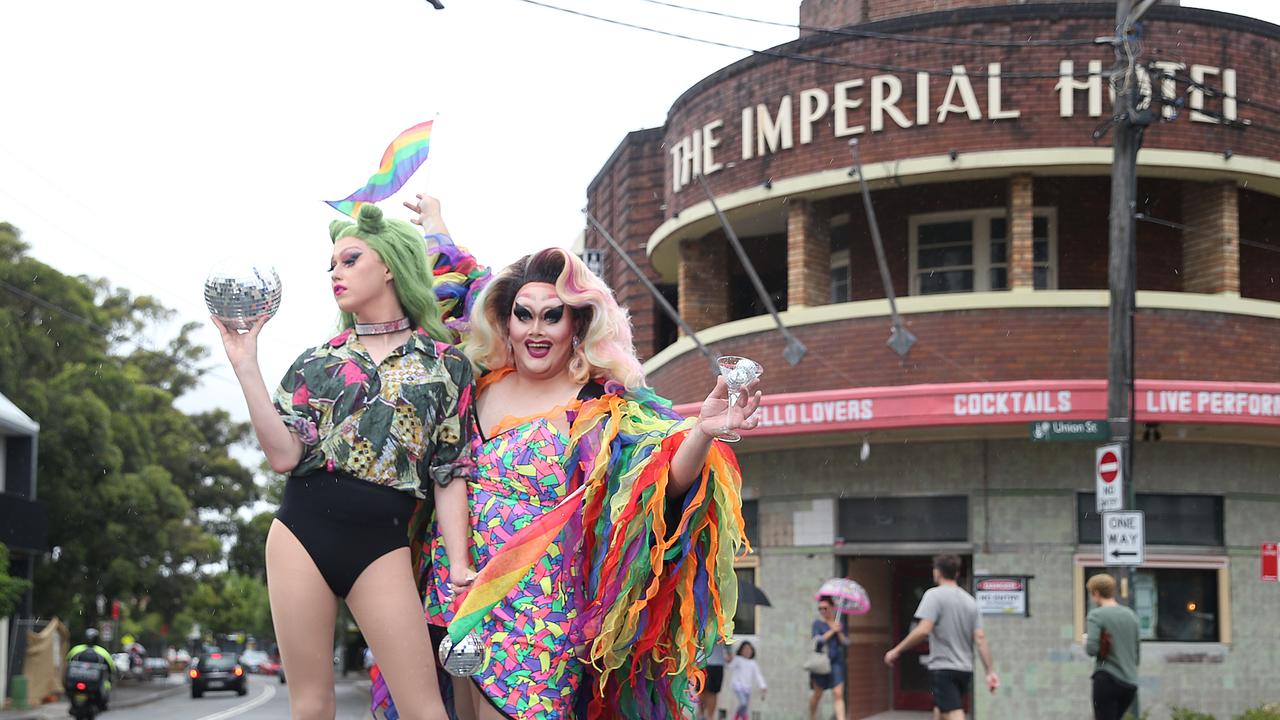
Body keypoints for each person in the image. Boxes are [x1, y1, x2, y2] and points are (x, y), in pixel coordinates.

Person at [397, 195, 757, 720]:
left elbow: (659, 479)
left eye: (552, 317)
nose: (536, 330)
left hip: (538, 609)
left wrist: (701, 432)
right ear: (504, 320)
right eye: (523, 315)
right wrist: (435, 223)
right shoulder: (473, 385)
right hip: (455, 594)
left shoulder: (600, 405)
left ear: (577, 325)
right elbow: (461, 283)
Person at [215, 204, 475, 720]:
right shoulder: (319, 360)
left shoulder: (446, 364)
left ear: (391, 266)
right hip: (300, 533)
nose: (335, 273)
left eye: (350, 259)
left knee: (425, 709)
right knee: (310, 707)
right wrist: (245, 364)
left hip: (382, 542)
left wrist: (461, 562)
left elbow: (449, 471)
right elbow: (283, 455)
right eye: (331, 265)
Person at [884, 555, 998, 720]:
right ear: (957, 573)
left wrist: (897, 650)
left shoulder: (934, 595)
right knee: (941, 708)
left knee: (953, 712)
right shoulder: (971, 601)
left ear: (937, 572)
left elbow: (923, 630)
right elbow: (980, 637)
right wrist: (990, 671)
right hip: (964, 669)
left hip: (944, 666)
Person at [1085, 573, 1140, 720]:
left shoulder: (1096, 615)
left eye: (1091, 593)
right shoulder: (1131, 615)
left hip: (1107, 679)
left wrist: (1087, 641)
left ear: (1096, 592)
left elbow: (1092, 649)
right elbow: (1137, 653)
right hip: (1129, 683)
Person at [808, 596, 848, 720]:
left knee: (838, 693)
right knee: (817, 694)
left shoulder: (839, 624)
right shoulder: (817, 624)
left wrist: (839, 631)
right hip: (821, 663)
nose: (822, 611)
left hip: (836, 663)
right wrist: (831, 630)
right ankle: (812, 716)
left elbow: (846, 642)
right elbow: (817, 641)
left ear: (832, 608)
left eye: (825, 608)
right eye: (820, 609)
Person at [727, 642, 766, 720]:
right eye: (745, 649)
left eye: (749, 649)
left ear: (752, 651)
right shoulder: (738, 659)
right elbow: (730, 666)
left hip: (747, 688)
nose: (747, 651)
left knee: (745, 706)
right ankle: (741, 717)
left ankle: (740, 717)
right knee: (743, 703)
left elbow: (758, 675)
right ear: (741, 650)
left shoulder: (753, 663)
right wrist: (729, 659)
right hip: (738, 686)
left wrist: (762, 686)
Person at [700, 644, 729, 720]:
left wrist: (729, 652)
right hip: (701, 662)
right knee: (701, 691)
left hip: (717, 663)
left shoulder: (724, 631)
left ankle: (710, 716)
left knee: (713, 692)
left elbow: (728, 641)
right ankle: (701, 714)